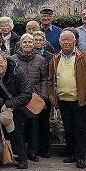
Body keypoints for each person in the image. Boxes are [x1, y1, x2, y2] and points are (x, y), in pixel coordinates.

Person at [48, 30, 86, 169]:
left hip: (80, 100)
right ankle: (72, 154)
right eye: (63, 40)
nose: (66, 42)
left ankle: (80, 157)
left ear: (74, 41)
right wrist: (52, 95)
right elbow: (51, 79)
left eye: (69, 40)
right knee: (68, 128)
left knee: (80, 129)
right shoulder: (55, 58)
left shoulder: (84, 57)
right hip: (63, 100)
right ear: (59, 42)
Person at [9, 33, 47, 162]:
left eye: (30, 42)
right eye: (24, 42)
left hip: (34, 97)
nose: (27, 44)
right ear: (20, 44)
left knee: (34, 126)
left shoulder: (40, 60)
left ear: (33, 45)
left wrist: (42, 95)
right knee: (19, 126)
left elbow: (44, 79)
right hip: (19, 97)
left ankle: (32, 152)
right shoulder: (12, 59)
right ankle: (20, 151)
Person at [32, 30, 54, 158]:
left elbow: (49, 77)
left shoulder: (50, 56)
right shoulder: (28, 54)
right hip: (32, 94)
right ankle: (34, 148)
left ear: (44, 42)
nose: (38, 42)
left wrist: (45, 95)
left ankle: (45, 148)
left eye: (41, 40)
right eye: (36, 40)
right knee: (34, 123)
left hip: (44, 93)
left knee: (45, 123)